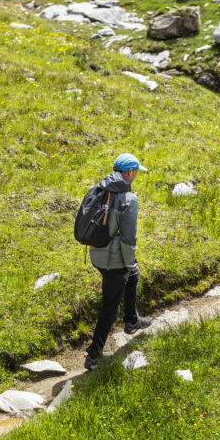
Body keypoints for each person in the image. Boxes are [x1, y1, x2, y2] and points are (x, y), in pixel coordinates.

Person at [84, 153, 153, 371]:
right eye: (136, 172)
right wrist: (126, 262)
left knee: (134, 274)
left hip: (96, 252)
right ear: (130, 172)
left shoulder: (99, 188)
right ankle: (93, 356)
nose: (136, 176)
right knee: (110, 307)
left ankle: (132, 321)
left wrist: (130, 267)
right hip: (113, 259)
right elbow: (128, 238)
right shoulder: (128, 200)